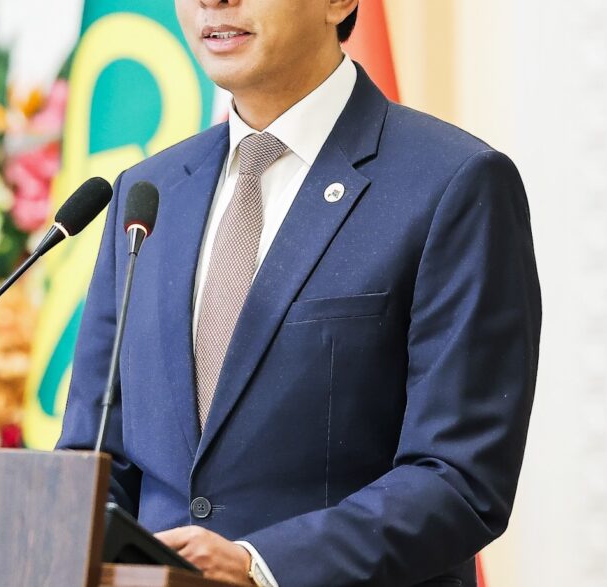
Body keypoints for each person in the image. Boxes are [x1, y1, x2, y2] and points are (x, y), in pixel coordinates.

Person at [57, 0, 541, 585]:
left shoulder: (453, 184)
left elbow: (461, 477)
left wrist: (260, 566)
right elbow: (94, 458)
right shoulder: (147, 192)